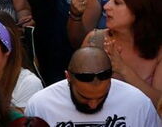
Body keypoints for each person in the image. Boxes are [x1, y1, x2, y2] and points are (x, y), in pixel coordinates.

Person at [24, 47, 161, 125]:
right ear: (68, 78)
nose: (93, 105)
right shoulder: (41, 105)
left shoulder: (138, 103)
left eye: (102, 96)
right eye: (85, 97)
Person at [82, 0, 162, 104]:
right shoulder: (94, 40)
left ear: (140, 8)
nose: (106, 6)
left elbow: (159, 106)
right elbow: (76, 91)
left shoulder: (159, 49)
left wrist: (122, 69)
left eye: (117, 2)